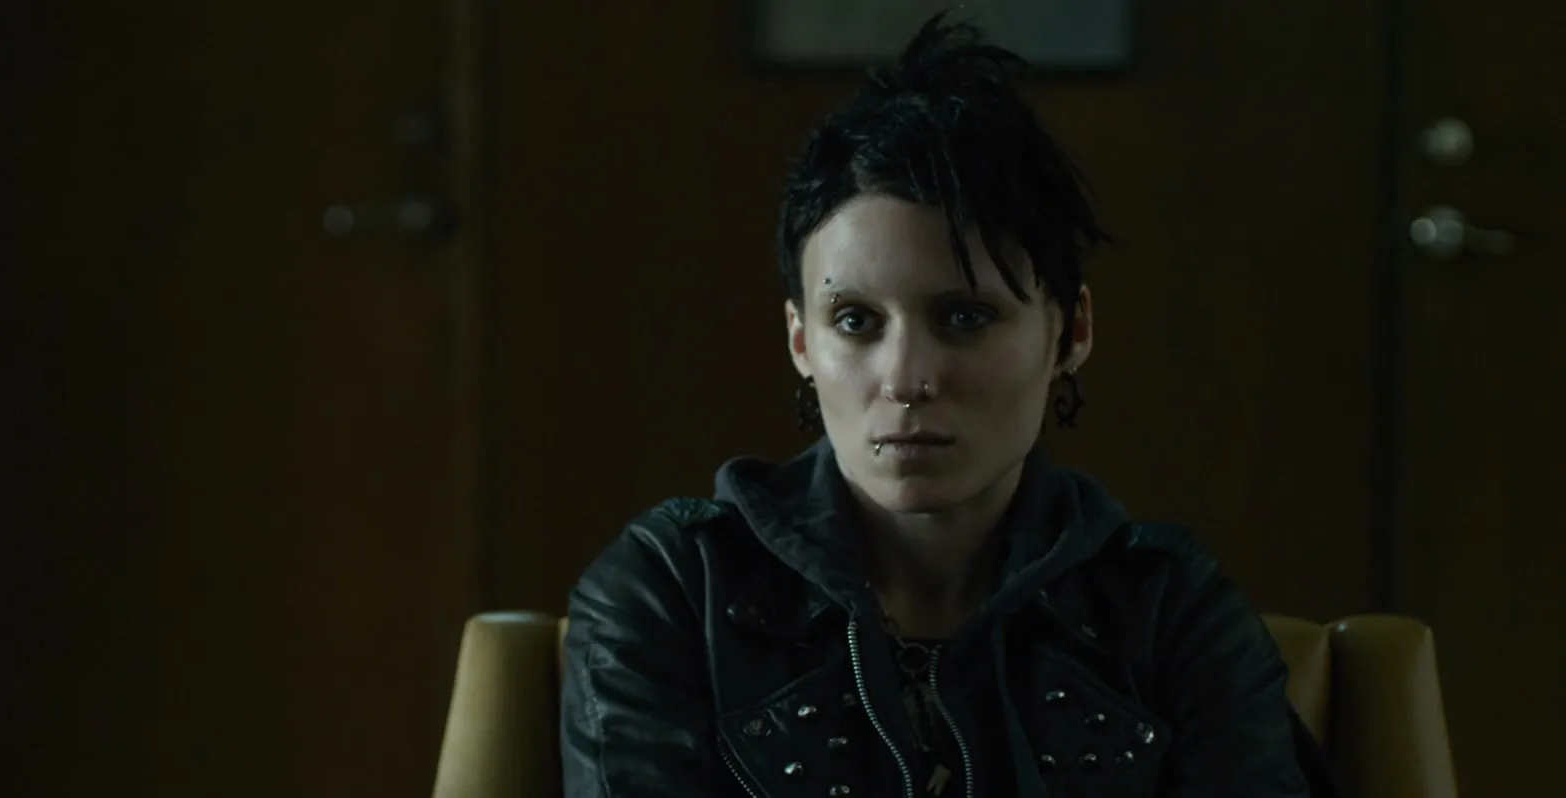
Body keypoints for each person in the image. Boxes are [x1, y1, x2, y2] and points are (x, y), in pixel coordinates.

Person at [558, 13, 1336, 798]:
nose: (906, 377)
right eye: (855, 321)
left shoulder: (1164, 609)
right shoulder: (676, 591)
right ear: (800, 341)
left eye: (965, 317)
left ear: (1070, 333)